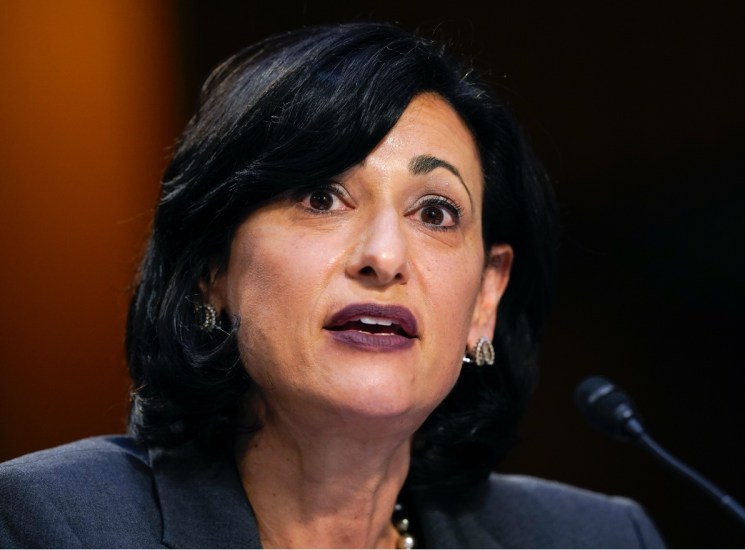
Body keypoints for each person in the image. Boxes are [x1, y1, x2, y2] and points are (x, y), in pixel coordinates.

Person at [0, 21, 664, 548]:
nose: (383, 256)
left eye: (435, 212)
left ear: (486, 298)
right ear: (212, 270)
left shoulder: (597, 539)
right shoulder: (54, 525)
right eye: (322, 197)